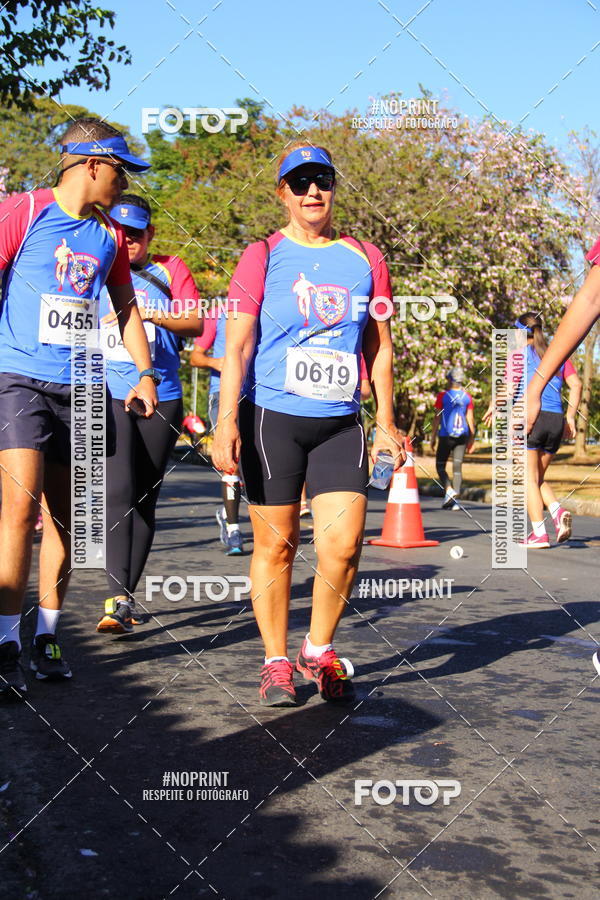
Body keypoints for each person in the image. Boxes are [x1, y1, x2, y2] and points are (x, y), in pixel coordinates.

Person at [212, 142, 405, 707]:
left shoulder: (366, 258)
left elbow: (381, 346)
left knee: (342, 547)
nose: (313, 191)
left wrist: (388, 419)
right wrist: (226, 420)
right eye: (300, 183)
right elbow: (238, 342)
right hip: (273, 416)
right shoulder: (263, 255)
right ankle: (274, 661)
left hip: (341, 420)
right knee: (277, 546)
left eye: (321, 179)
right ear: (283, 194)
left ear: (334, 187)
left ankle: (318, 648)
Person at [0, 119, 157, 697]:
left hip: (84, 384)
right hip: (19, 377)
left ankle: (45, 635)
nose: (124, 182)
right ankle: (3, 640)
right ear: (91, 164)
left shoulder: (111, 238)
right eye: (120, 170)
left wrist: (143, 374)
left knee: (70, 523)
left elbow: (125, 307)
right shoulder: (24, 210)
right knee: (19, 510)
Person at [96, 195, 202, 633]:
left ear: (150, 234)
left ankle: (125, 598)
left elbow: (195, 323)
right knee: (117, 490)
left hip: (163, 393)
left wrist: (153, 316)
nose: (129, 242)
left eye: (136, 234)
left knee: (143, 496)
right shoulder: (95, 265)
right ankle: (115, 597)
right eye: (120, 234)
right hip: (107, 388)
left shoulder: (170, 269)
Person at [490, 312, 581, 548]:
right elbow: (576, 385)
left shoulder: (517, 356)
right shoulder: (557, 355)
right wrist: (570, 417)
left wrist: (494, 404)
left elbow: (509, 391)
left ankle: (539, 534)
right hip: (555, 419)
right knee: (537, 477)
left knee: (528, 479)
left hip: (530, 417)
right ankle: (558, 512)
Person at [190, 307, 244, 555]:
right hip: (220, 395)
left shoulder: (269, 310)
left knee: (255, 467)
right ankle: (234, 530)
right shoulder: (217, 313)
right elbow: (196, 357)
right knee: (231, 460)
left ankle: (226, 511)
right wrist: (216, 362)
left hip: (259, 397)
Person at [430, 367, 475, 510]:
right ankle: (455, 501)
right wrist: (472, 439)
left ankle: (448, 489)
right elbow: (470, 419)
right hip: (463, 435)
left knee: (440, 465)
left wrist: (432, 437)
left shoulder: (443, 396)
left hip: (446, 435)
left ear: (449, 380)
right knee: (457, 468)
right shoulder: (467, 397)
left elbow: (437, 418)